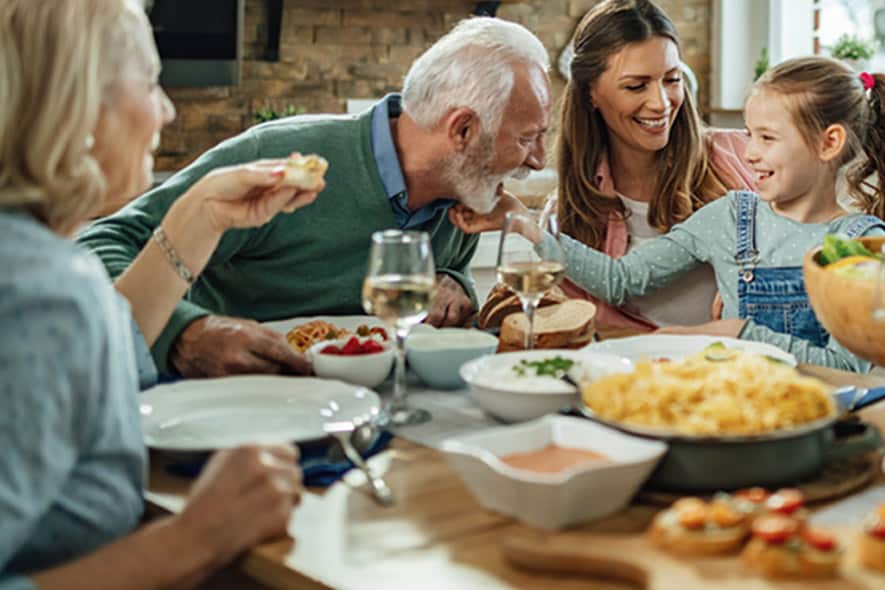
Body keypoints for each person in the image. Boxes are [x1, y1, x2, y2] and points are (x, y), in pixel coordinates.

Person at [0, 0, 314, 586]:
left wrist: (203, 214)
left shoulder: (32, 265)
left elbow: (103, 356)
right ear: (80, 106)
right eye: (150, 81)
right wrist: (197, 537)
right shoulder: (43, 292)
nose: (167, 108)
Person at [78, 17, 552, 378]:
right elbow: (98, 248)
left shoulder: (466, 193)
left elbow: (447, 285)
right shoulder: (279, 156)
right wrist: (184, 332)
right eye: (529, 138)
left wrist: (455, 284)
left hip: (358, 411)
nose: (537, 160)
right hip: (218, 403)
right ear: (463, 129)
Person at [452, 56, 885, 371]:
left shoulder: (862, 246)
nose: (750, 153)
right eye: (749, 135)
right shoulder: (733, 217)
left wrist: (736, 335)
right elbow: (620, 281)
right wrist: (527, 226)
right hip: (729, 402)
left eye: (767, 138)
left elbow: (848, 369)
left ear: (829, 143)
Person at [546, 0, 756, 332]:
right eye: (635, 86)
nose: (661, 103)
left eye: (672, 80)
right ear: (590, 94)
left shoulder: (745, 157)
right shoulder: (568, 217)